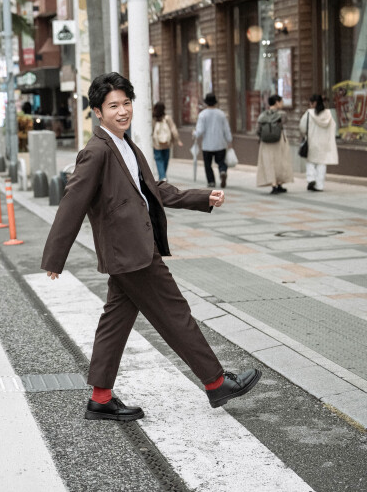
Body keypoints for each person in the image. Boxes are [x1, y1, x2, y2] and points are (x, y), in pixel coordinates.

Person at [41, 72, 260, 422]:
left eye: (126, 103)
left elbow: (153, 191)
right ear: (97, 111)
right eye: (113, 105)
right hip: (131, 254)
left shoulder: (126, 145)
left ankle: (100, 398)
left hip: (130, 253)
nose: (122, 111)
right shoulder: (96, 151)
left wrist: (203, 197)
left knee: (115, 323)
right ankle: (216, 382)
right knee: (175, 314)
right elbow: (72, 202)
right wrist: (55, 258)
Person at [193, 93, 233, 188]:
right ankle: (222, 171)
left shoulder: (202, 115)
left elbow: (200, 130)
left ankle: (211, 181)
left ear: (206, 102)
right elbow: (226, 129)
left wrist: (195, 134)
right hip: (220, 143)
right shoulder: (221, 114)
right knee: (221, 161)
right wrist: (229, 140)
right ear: (215, 102)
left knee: (208, 164)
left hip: (207, 144)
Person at [300, 94, 338, 192]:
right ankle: (319, 185)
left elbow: (302, 127)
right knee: (322, 163)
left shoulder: (309, 113)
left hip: (312, 141)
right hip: (324, 142)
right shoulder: (328, 114)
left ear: (314, 103)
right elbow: (333, 126)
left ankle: (311, 178)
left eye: (310, 102)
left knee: (311, 161)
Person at [256, 95, 293, 194]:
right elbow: (285, 122)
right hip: (279, 141)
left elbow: (258, 130)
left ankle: (273, 185)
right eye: (281, 102)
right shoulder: (282, 114)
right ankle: (279, 183)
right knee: (280, 162)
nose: (282, 104)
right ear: (277, 102)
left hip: (266, 143)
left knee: (269, 163)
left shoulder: (262, 115)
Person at [151, 101, 182, 182]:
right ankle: (163, 175)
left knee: (159, 160)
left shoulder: (153, 119)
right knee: (165, 159)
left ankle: (162, 176)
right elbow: (173, 129)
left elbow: (151, 131)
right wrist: (177, 140)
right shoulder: (167, 118)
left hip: (157, 144)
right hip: (167, 144)